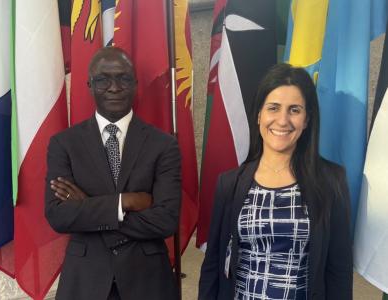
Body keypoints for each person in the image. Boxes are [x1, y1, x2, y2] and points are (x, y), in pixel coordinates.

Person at [199, 64, 353, 300]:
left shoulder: (331, 182)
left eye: (294, 110)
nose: (282, 120)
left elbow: (339, 271)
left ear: (307, 119)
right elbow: (213, 266)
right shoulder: (230, 184)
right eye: (273, 108)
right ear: (259, 114)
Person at [45, 46, 180, 300]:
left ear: (136, 84)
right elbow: (58, 216)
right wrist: (123, 202)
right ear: (89, 84)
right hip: (85, 282)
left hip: (148, 281)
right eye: (103, 80)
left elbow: (166, 220)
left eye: (123, 78)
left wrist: (86, 208)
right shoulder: (64, 144)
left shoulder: (163, 145)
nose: (114, 87)